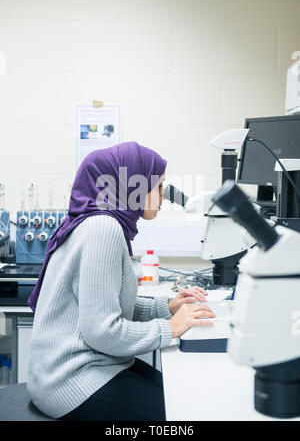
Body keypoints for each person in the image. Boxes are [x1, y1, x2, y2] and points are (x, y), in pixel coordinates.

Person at [27, 141, 215, 421]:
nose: (164, 195)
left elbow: (105, 300)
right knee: (182, 413)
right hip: (69, 381)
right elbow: (102, 332)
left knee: (180, 393)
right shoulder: (103, 228)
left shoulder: (96, 222)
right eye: (158, 186)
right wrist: (170, 328)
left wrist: (167, 307)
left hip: (79, 369)